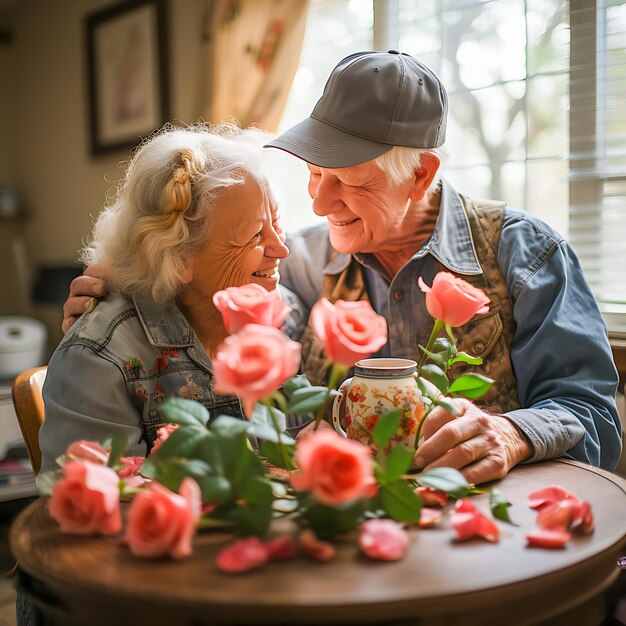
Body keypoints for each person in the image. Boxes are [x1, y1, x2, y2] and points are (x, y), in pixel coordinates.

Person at [62, 51, 622, 484]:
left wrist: (513, 433)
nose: (320, 203)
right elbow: (224, 346)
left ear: (421, 175)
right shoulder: (299, 261)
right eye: (314, 173)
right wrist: (130, 284)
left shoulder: (527, 255)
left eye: (350, 182)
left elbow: (595, 415)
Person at [40, 123, 302, 474]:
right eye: (255, 234)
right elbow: (89, 512)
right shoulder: (100, 360)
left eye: (277, 222)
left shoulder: (274, 315)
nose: (281, 248)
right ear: (179, 257)